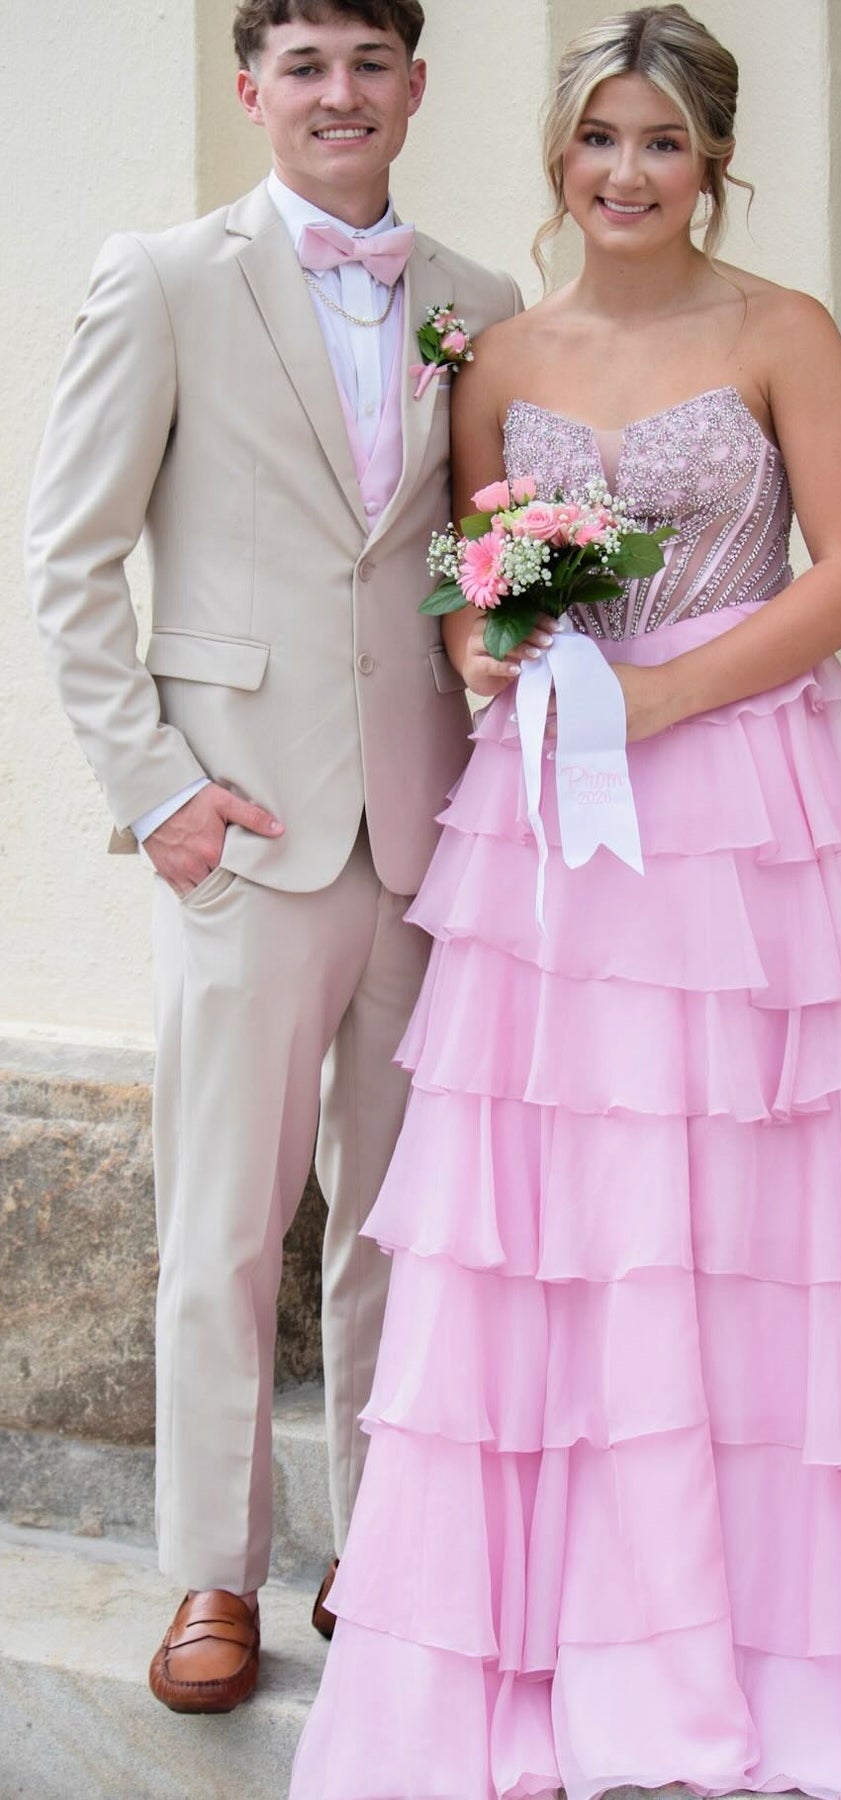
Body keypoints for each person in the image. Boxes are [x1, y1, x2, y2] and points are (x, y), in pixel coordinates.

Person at [290, 6, 841, 1794]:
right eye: (598, 140)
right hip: (552, 822)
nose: (626, 174)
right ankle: (586, 1638)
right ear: (559, 155)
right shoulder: (501, 357)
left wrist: (663, 695)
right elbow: (479, 589)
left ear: (715, 160)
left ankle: (791, 1636)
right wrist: (499, 651)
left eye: (663, 144)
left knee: (753, 1205)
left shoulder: (784, 330)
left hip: (741, 805)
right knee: (576, 1205)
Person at [26, 0, 521, 1716]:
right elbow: (72, 563)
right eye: (303, 64)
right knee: (224, 1225)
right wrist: (155, 787)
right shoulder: (163, 277)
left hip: (435, 825)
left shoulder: (484, 304)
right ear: (252, 88)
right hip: (241, 830)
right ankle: (212, 1578)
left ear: (414, 87)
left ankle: (382, 1561)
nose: (337, 93)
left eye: (368, 61)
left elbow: (476, 561)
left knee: (399, 1220)